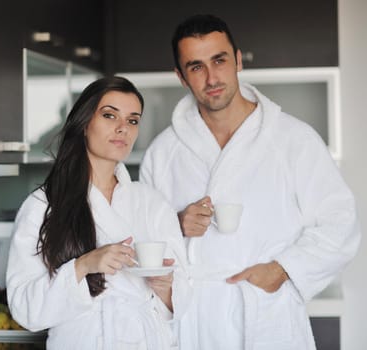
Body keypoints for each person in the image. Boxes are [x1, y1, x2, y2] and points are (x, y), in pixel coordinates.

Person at [139, 14, 361, 350]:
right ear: (181, 77)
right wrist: (173, 223)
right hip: (195, 324)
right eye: (196, 67)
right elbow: (145, 244)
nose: (212, 77)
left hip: (266, 316)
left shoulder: (293, 139)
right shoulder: (162, 152)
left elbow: (341, 225)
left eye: (219, 60)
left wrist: (282, 270)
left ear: (238, 60)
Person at [6, 76, 191, 350]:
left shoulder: (152, 202)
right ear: (84, 123)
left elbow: (185, 295)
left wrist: (165, 287)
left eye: (132, 120)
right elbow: (25, 310)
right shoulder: (44, 205)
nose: (122, 129)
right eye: (109, 115)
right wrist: (84, 265)